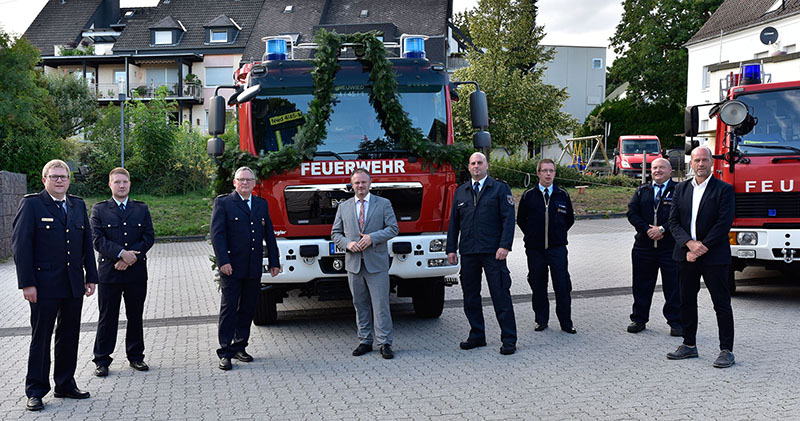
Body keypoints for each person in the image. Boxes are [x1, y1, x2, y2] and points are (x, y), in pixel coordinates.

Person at [12, 159, 98, 411]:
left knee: (69, 335)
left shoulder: (77, 205)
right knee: (41, 337)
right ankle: (36, 390)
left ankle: (65, 384)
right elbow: (21, 247)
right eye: (54, 176)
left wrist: (91, 277)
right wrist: (27, 284)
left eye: (63, 176)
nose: (59, 180)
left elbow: (86, 245)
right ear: (44, 180)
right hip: (43, 285)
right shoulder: (32, 205)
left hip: (72, 284)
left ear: (69, 180)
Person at [667, 146, 735, 368]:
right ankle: (689, 345)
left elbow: (723, 223)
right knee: (686, 300)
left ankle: (726, 350)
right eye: (697, 160)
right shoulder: (681, 189)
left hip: (714, 256)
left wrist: (701, 247)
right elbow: (673, 221)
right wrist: (689, 244)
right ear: (691, 163)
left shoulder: (723, 189)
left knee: (721, 303)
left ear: (712, 163)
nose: (701, 164)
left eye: (705, 160)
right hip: (685, 255)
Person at [446, 152, 517, 355]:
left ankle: (509, 338)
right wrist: (451, 248)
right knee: (470, 297)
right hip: (469, 252)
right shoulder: (461, 191)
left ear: (487, 165)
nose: (476, 166)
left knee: (500, 295)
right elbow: (454, 223)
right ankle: (477, 335)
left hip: (493, 252)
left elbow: (508, 219)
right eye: (473, 163)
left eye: (480, 163)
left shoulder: (500, 189)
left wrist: (505, 245)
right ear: (469, 167)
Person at [210, 167, 280, 370]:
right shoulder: (223, 203)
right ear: (234, 182)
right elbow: (218, 235)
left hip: (253, 266)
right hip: (232, 266)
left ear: (254, 183)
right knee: (229, 308)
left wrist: (274, 261)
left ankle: (240, 345)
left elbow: (269, 234)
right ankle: (225, 352)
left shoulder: (260, 204)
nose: (245, 183)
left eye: (249, 180)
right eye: (241, 180)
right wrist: (223, 261)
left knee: (248, 307)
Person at [90, 167, 155, 377]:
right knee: (107, 317)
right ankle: (102, 360)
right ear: (110, 184)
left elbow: (148, 236)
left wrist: (130, 258)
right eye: (117, 182)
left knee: (135, 315)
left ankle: (136, 356)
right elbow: (97, 240)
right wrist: (120, 254)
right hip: (110, 273)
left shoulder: (141, 209)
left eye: (124, 182)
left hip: (135, 272)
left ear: (129, 184)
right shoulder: (99, 210)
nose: (121, 185)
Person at [331, 168, 399, 359]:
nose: (360, 186)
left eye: (363, 182)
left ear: (370, 183)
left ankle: (385, 342)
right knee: (360, 304)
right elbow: (335, 233)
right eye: (357, 183)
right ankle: (365, 341)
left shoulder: (383, 204)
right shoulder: (343, 207)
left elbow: (393, 228)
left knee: (380, 305)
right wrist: (347, 244)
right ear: (352, 185)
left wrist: (373, 238)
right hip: (354, 264)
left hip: (376, 263)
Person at [516, 158, 576, 334]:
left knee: (562, 286)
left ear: (555, 173)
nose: (548, 174)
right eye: (545, 171)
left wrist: (557, 235)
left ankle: (566, 323)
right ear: (538, 173)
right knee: (538, 285)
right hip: (535, 250)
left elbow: (569, 219)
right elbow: (521, 220)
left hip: (557, 249)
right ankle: (541, 320)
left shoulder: (562, 195)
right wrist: (533, 236)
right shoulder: (529, 196)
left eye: (551, 171)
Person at [625, 158, 682, 336]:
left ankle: (676, 322)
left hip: (669, 247)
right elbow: (632, 213)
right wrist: (646, 229)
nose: (657, 171)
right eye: (654, 168)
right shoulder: (642, 190)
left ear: (670, 170)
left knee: (673, 286)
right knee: (641, 285)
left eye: (661, 168)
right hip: (644, 246)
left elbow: (682, 215)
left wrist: (663, 229)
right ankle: (639, 319)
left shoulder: (679, 191)